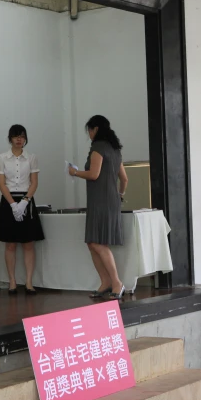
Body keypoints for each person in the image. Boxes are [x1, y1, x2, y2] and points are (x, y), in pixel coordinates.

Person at [69, 115, 129, 300]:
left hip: (100, 200)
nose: (89, 134)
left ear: (95, 129)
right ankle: (105, 282)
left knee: (97, 242)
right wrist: (119, 195)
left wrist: (75, 172)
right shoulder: (115, 149)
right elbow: (125, 179)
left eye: (89, 130)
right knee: (92, 242)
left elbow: (94, 174)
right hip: (111, 199)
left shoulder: (98, 147)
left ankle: (116, 282)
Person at [0, 124, 45, 295]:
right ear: (10, 138)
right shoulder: (2, 157)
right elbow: (1, 184)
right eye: (16, 136)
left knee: (28, 243)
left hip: (26, 199)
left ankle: (29, 282)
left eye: (22, 136)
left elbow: (34, 182)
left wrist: (25, 202)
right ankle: (12, 281)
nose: (19, 139)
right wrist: (12, 204)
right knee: (10, 244)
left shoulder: (31, 157)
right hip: (9, 199)